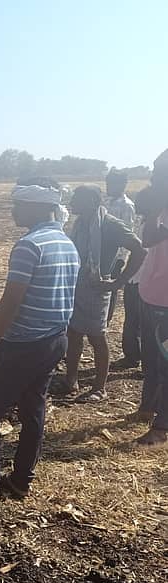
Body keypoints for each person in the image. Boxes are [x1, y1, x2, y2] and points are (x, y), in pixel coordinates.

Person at [0, 183, 80, 503]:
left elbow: (10, 302)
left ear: (36, 208)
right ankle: (21, 480)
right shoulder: (67, 243)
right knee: (33, 409)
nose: (13, 210)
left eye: (19, 205)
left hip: (24, 345)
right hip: (54, 340)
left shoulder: (29, 245)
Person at [52, 186, 144, 402]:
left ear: (92, 202)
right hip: (76, 285)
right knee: (73, 333)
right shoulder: (80, 224)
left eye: (77, 198)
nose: (72, 202)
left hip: (96, 288)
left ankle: (99, 388)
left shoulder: (110, 225)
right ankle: (71, 380)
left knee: (97, 337)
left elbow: (139, 250)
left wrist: (118, 282)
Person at [135, 148, 168, 446]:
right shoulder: (161, 205)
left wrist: (155, 207)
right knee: (153, 359)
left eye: (159, 171)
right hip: (152, 293)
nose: (153, 176)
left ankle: (162, 427)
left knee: (166, 362)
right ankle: (148, 407)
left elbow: (148, 238)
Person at [104, 170, 141, 368]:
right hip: (102, 256)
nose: (109, 187)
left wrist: (120, 261)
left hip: (115, 258)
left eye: (112, 183)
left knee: (110, 292)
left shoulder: (127, 206)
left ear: (122, 185)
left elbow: (128, 236)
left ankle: (104, 324)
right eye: (108, 183)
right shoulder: (105, 201)